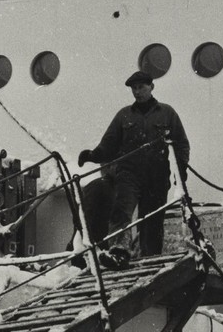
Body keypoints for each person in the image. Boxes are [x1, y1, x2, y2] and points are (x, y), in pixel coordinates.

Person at [78, 71, 190, 258]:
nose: (137, 92)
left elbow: (181, 144)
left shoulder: (167, 113)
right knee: (121, 211)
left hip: (157, 176)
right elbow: (108, 145)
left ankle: (150, 257)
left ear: (151, 87)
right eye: (134, 88)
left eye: (141, 87)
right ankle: (119, 251)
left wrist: (181, 171)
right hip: (128, 173)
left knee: (152, 219)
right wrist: (91, 156)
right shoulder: (124, 116)